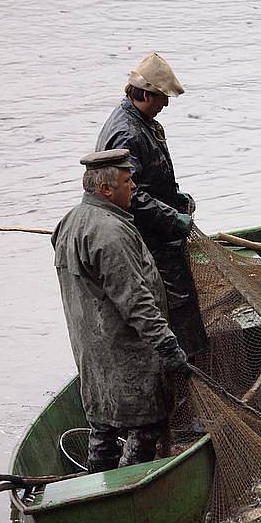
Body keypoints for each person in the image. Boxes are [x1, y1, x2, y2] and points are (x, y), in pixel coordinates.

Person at [52, 149, 188, 474]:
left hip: (89, 348)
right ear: (106, 190)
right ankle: (126, 488)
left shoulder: (70, 221)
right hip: (125, 350)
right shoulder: (110, 233)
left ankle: (95, 481)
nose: (133, 187)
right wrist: (167, 345)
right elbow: (136, 300)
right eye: (128, 181)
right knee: (146, 426)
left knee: (103, 426)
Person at [96, 52, 207, 357]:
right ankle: (189, 367)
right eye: (162, 97)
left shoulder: (145, 122)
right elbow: (131, 196)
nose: (166, 104)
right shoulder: (125, 133)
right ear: (144, 94)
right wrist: (173, 218)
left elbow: (150, 180)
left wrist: (176, 198)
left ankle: (193, 361)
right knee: (176, 303)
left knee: (180, 303)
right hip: (148, 239)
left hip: (163, 231)